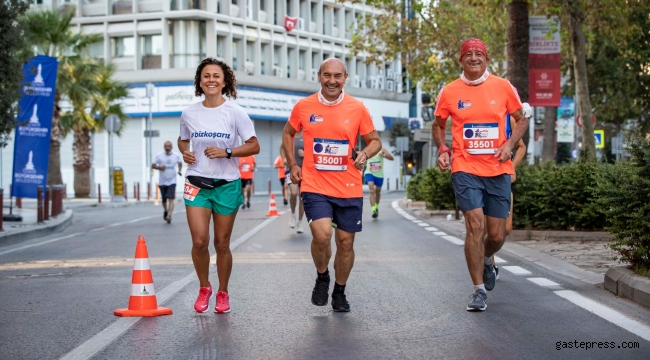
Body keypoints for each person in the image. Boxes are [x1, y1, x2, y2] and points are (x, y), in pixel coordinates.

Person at [431, 38, 529, 312]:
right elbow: (438, 124)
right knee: (475, 225)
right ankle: (477, 290)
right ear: (461, 60)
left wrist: (509, 145)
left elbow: (522, 119)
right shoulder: (449, 91)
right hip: (464, 167)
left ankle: (488, 258)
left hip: (497, 169)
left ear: (486, 59)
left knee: (496, 235)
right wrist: (442, 148)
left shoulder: (503, 86)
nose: (474, 58)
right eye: (468, 54)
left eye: (479, 54)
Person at [282, 58, 382, 312]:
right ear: (319, 76)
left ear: (345, 78)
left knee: (346, 243)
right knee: (322, 234)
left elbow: (374, 141)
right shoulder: (304, 107)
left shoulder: (357, 108)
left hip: (348, 187)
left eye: (337, 76)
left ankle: (339, 290)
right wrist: (293, 164)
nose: (332, 81)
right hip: (315, 185)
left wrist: (365, 154)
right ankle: (322, 275)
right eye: (327, 75)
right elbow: (288, 132)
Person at [179, 57, 259, 314]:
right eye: (206, 76)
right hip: (196, 182)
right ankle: (205, 287)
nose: (211, 80)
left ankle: (223, 292)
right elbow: (182, 140)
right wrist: (185, 152)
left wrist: (227, 151)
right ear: (199, 82)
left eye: (216, 76)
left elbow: (253, 145)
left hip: (226, 184)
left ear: (225, 82)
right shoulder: (189, 112)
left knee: (221, 244)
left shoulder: (235, 112)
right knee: (200, 241)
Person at [489, 114, 527, 280]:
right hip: (482, 176)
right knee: (488, 229)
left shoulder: (508, 119)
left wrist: (512, 166)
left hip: (503, 178)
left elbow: (521, 147)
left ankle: (486, 256)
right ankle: (490, 263)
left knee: (506, 228)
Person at [280, 130, 305, 233]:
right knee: (293, 193)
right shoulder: (290, 135)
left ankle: (299, 222)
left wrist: (305, 154)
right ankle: (293, 216)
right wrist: (284, 158)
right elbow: (282, 147)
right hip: (291, 169)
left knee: (302, 198)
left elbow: (315, 151)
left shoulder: (306, 135)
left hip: (304, 171)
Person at [152, 141, 182, 223]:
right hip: (162, 181)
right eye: (166, 146)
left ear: (172, 147)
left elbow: (180, 163)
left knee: (171, 198)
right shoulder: (159, 155)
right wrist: (159, 168)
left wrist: (179, 171)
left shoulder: (176, 155)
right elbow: (153, 165)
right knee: (164, 200)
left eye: (169, 146)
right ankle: (165, 210)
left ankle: (169, 215)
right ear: (164, 147)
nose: (167, 147)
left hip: (172, 181)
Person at [363, 147, 394, 219]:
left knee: (378, 192)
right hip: (369, 172)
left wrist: (383, 155)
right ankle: (373, 210)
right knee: (371, 190)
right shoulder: (367, 149)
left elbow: (391, 158)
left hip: (379, 175)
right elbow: (363, 158)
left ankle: (376, 207)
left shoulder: (382, 149)